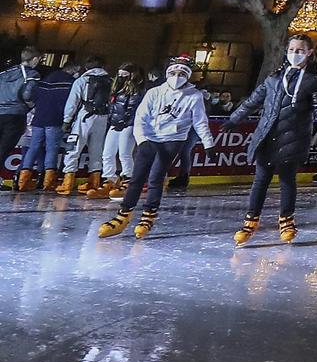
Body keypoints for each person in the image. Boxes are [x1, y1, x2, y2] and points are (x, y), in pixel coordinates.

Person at [227, 35, 317, 245]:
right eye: (291, 50)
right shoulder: (274, 79)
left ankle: (286, 220)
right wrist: (234, 119)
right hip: (267, 136)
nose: (294, 54)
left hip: (293, 138)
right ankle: (251, 220)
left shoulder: (314, 81)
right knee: (260, 181)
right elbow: (253, 101)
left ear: (309, 53)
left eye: (300, 50)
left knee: (287, 181)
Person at [98, 55, 213, 239]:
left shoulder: (194, 96)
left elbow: (200, 121)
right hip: (150, 138)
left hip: (173, 139)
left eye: (182, 73)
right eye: (174, 72)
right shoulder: (154, 92)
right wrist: (142, 140)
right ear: (168, 73)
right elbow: (140, 117)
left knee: (156, 177)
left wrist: (208, 143)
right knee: (137, 177)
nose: (177, 76)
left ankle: (148, 215)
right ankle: (123, 214)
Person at [59, 55, 114, 195]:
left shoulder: (82, 80)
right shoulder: (111, 81)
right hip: (103, 119)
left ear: (87, 67)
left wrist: (67, 120)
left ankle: (67, 182)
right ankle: (94, 183)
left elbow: (72, 103)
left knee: (74, 148)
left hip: (84, 117)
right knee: (96, 151)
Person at [19, 53, 74, 192]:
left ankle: (22, 181)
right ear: (73, 69)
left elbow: (33, 98)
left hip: (38, 119)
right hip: (55, 120)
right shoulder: (69, 83)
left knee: (33, 147)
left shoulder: (45, 80)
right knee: (52, 149)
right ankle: (47, 182)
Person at [100, 63, 143, 198]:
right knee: (107, 153)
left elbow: (132, 108)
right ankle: (109, 179)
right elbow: (113, 107)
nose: (121, 77)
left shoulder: (136, 89)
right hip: (115, 124)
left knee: (124, 154)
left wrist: (124, 122)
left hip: (128, 125)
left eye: (124, 75)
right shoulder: (117, 88)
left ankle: (128, 180)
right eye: (119, 74)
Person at [0, 45, 37, 186]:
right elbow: (28, 94)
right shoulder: (31, 75)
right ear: (34, 59)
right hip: (15, 115)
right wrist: (30, 106)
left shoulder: (4, 73)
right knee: (4, 149)